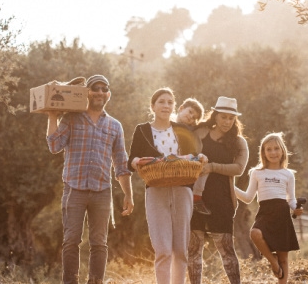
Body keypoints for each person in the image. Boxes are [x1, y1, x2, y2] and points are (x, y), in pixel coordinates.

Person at [46, 74, 134, 284]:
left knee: (99, 244)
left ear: (109, 95)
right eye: (96, 88)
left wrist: (128, 195)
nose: (100, 92)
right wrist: (52, 116)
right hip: (74, 189)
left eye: (104, 89)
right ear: (87, 91)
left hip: (102, 192)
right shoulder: (71, 118)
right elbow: (54, 146)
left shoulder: (115, 126)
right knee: (71, 241)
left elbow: (121, 163)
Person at [128, 88, 206, 284]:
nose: (166, 105)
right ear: (152, 106)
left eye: (170, 102)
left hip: (182, 191)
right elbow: (132, 159)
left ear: (174, 106)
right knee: (162, 249)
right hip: (155, 190)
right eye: (161, 101)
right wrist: (136, 161)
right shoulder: (142, 130)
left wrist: (202, 158)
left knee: (180, 250)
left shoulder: (183, 130)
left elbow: (194, 157)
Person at [188, 96, 248, 284]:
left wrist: (212, 167)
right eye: (223, 117)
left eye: (231, 118)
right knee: (194, 249)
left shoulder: (238, 142)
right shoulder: (200, 133)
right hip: (196, 200)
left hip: (222, 200)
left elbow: (239, 169)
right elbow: (186, 154)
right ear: (215, 116)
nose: (227, 122)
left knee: (226, 249)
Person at [234, 132, 301, 283]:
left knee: (284, 257)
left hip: (282, 212)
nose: (273, 152)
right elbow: (248, 197)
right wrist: (231, 187)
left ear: (282, 150)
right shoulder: (257, 173)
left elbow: (291, 199)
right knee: (255, 233)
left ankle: (280, 273)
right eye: (268, 149)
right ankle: (273, 261)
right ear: (263, 152)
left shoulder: (288, 174)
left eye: (276, 148)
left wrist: (296, 208)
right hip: (265, 212)